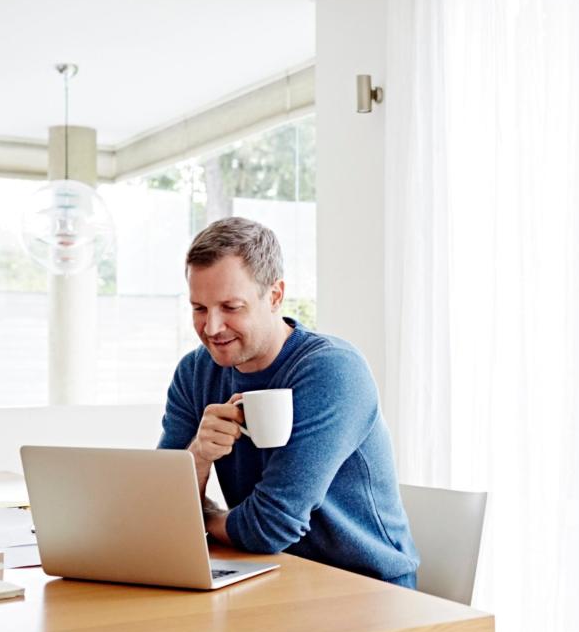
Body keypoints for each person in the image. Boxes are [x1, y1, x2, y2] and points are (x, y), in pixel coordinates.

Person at [157, 216, 420, 587]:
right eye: (199, 308)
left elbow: (270, 527)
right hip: (272, 574)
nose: (212, 328)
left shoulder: (332, 371)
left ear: (275, 296)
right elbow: (160, 512)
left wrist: (208, 520)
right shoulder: (196, 372)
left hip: (367, 587)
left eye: (231, 307)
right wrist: (198, 455)